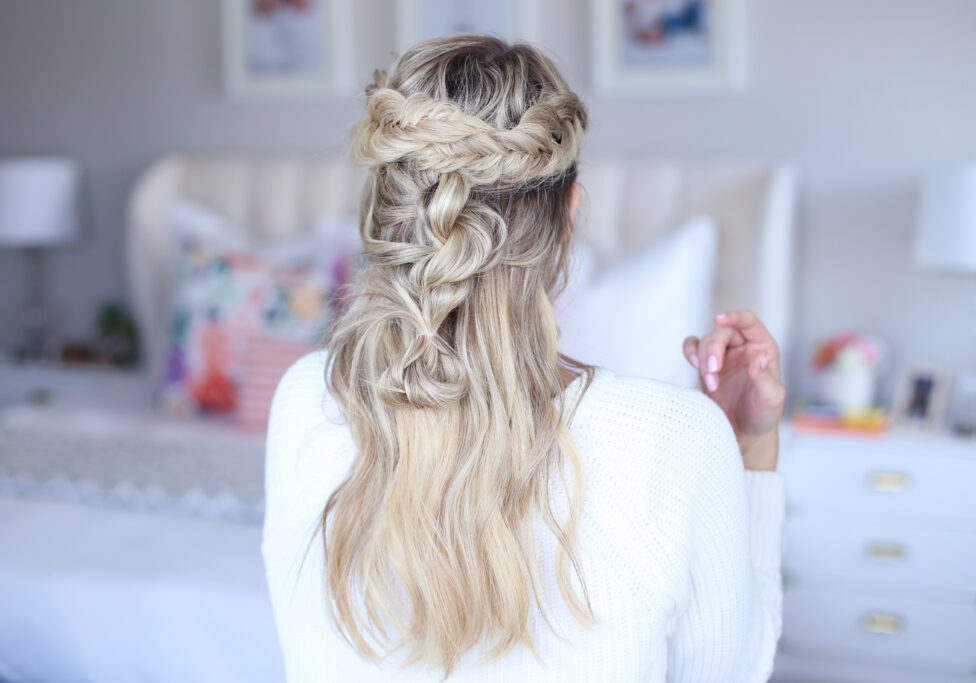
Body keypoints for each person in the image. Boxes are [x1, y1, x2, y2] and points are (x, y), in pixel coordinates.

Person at [262, 34, 785, 682]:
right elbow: (731, 671)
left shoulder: (307, 398)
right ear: (568, 215)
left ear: (386, 208)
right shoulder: (676, 439)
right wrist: (748, 452)